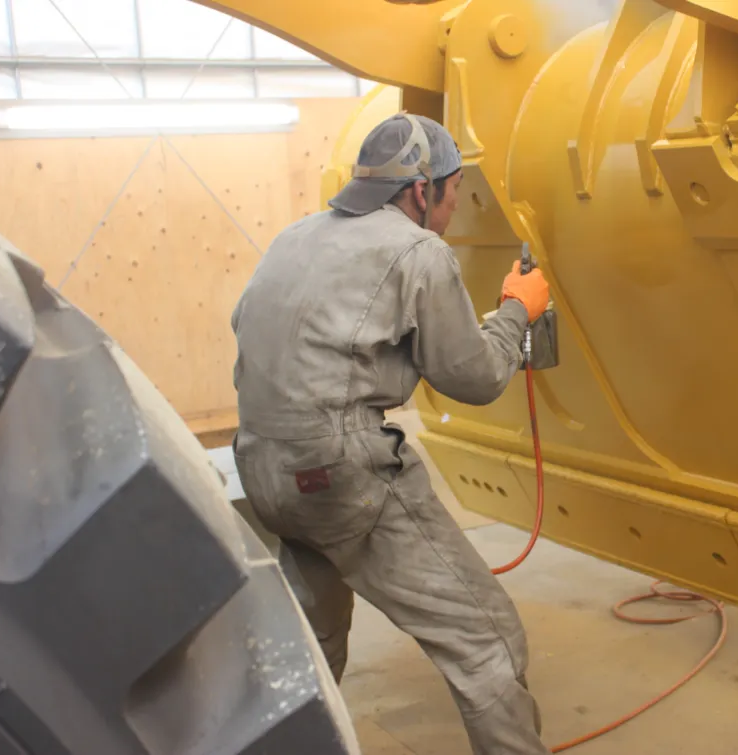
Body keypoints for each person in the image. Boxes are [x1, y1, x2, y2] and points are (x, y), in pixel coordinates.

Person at [230, 113, 551, 755]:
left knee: (313, 644)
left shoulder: (294, 237)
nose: (456, 205)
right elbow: (477, 376)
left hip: (264, 469)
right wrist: (519, 309)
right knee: (487, 640)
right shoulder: (418, 251)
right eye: (455, 189)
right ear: (419, 189)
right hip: (343, 470)